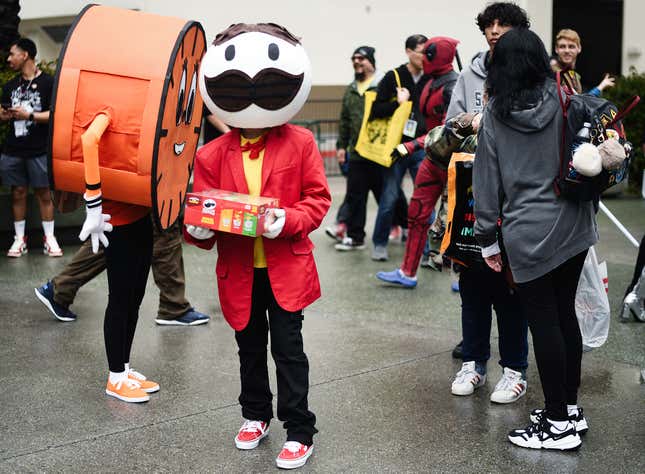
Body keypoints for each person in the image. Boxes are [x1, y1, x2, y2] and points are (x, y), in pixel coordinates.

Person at [190, 23, 330, 469]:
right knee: (248, 348)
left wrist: (285, 220)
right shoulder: (210, 155)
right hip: (238, 271)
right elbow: (207, 217)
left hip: (286, 266)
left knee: (288, 349)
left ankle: (300, 428)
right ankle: (255, 414)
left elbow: (318, 201)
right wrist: (197, 230)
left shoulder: (302, 142)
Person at [473, 27, 599, 450]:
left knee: (543, 322)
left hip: (527, 231)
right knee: (565, 316)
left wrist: (487, 237)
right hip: (575, 223)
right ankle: (569, 409)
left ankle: (558, 424)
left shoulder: (494, 113)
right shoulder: (565, 98)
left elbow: (486, 182)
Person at [445, 1, 530, 361]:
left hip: (516, 193)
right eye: (489, 25)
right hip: (471, 190)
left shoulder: (531, 73)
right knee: (472, 279)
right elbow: (448, 127)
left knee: (512, 283)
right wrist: (469, 122)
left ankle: (515, 367)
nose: (494, 31)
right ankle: (473, 359)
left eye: (503, 25)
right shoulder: (470, 75)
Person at [376, 36, 459, 286]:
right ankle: (408, 271)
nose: (423, 58)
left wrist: (410, 145)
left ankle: (462, 274)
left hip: (452, 160)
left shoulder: (452, 86)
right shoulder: (431, 82)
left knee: (457, 219)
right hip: (432, 158)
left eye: (427, 53)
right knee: (417, 213)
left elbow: (450, 129)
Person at [33, 218, 210, 325]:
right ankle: (174, 306)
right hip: (150, 177)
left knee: (116, 234)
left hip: (136, 175)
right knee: (163, 230)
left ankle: (59, 289)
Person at [369, 34, 429, 261]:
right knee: (390, 197)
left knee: (425, 199)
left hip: (420, 146)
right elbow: (376, 111)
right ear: (408, 51)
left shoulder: (430, 78)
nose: (424, 56)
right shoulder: (393, 77)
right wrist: (398, 103)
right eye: (420, 51)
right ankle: (379, 243)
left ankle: (426, 251)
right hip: (396, 147)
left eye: (427, 52)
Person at [0, 37, 62, 258]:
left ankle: (50, 238)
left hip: (39, 149)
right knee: (18, 193)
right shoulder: (10, 86)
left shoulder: (48, 83)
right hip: (13, 149)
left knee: (44, 193)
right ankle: (19, 240)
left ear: (25, 54)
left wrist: (30, 115)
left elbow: (56, 114)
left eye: (12, 54)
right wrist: (5, 114)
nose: (9, 59)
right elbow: (0, 112)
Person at [333, 46, 383, 251]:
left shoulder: (381, 86)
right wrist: (341, 146)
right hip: (356, 153)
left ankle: (404, 225)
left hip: (378, 152)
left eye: (361, 58)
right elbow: (344, 120)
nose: (357, 62)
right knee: (355, 196)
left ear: (371, 61)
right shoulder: (352, 88)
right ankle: (355, 237)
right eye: (354, 59)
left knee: (387, 194)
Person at [552, 28, 615, 96]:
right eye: (562, 47)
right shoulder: (553, 73)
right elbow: (579, 102)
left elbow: (580, 103)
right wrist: (601, 87)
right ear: (556, 49)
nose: (567, 50)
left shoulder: (574, 75)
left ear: (579, 48)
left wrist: (602, 86)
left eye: (571, 47)